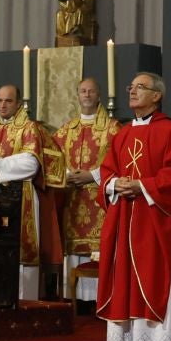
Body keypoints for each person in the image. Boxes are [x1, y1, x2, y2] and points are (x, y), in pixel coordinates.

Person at [96, 73, 171, 341]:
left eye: (141, 87)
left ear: (157, 95)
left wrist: (142, 185)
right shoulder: (122, 134)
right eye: (131, 87)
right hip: (124, 216)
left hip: (155, 217)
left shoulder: (170, 132)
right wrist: (115, 184)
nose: (133, 91)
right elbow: (106, 170)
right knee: (122, 274)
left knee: (154, 273)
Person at [0, 84, 60, 299]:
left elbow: (31, 164)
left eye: (8, 101)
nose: (2, 105)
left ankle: (24, 299)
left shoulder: (28, 128)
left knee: (20, 251)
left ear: (18, 103)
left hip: (21, 197)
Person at [55, 77, 119, 302]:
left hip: (98, 197)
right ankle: (74, 299)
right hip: (73, 197)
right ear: (78, 95)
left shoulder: (113, 129)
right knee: (72, 247)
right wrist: (68, 175)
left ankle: (98, 299)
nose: (87, 95)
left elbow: (119, 161)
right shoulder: (65, 131)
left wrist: (91, 175)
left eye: (91, 91)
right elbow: (53, 159)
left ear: (99, 95)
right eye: (83, 91)